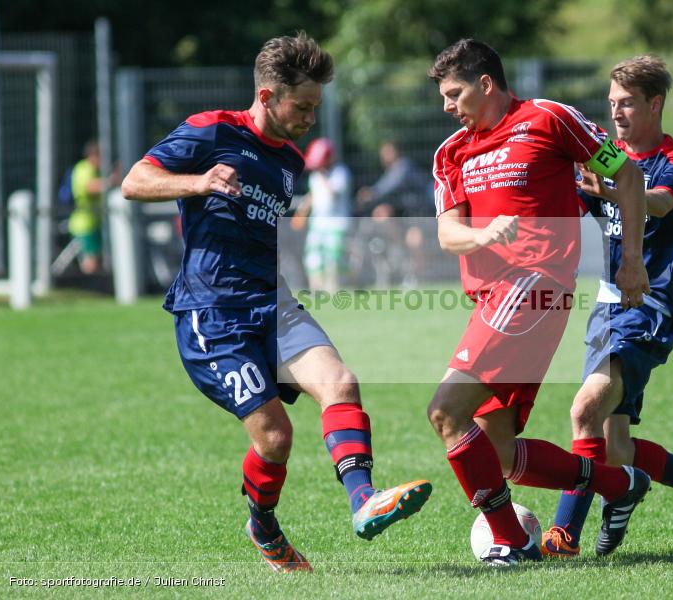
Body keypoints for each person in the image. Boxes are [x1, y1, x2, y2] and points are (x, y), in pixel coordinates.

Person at [120, 33, 431, 574]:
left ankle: (364, 502)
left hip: (275, 303)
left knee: (342, 383)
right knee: (275, 437)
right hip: (212, 315)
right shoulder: (210, 130)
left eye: (316, 105)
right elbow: (133, 181)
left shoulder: (290, 160)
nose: (311, 117)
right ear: (267, 96)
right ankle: (263, 528)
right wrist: (197, 182)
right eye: (303, 106)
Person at [425, 39, 651, 567]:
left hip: (534, 288)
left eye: (454, 93)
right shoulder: (450, 153)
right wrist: (483, 237)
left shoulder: (548, 118)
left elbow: (628, 173)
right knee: (497, 452)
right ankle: (619, 484)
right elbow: (447, 234)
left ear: (486, 83)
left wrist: (633, 259)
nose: (446, 106)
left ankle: (511, 540)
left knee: (444, 410)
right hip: (490, 301)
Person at [541, 56, 673, 559]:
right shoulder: (607, 157)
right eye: (611, 104)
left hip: (646, 307)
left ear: (655, 104)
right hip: (603, 309)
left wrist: (611, 188)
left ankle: (563, 535)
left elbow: (654, 202)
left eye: (626, 103)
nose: (617, 114)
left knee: (585, 408)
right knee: (616, 448)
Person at [353, 141, 433, 287]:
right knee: (381, 214)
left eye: (388, 152)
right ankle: (397, 249)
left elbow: (387, 186)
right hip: (403, 216)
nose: (384, 157)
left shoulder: (404, 167)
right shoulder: (391, 171)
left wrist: (371, 193)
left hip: (419, 216)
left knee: (414, 240)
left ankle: (418, 277)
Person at [298, 137, 353, 291]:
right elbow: (313, 195)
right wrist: (302, 211)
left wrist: (323, 176)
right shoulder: (315, 177)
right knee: (313, 258)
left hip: (336, 223)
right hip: (317, 223)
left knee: (333, 259)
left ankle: (333, 289)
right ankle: (316, 289)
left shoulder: (340, 173)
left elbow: (333, 193)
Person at [68, 139, 114, 274]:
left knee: (97, 260)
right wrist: (109, 182)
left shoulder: (96, 170)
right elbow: (90, 187)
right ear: (93, 155)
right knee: (91, 262)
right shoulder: (84, 168)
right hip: (84, 225)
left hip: (94, 224)